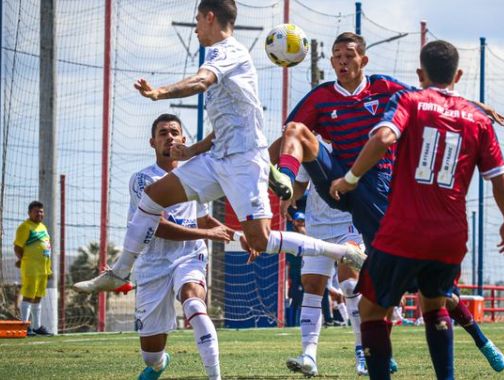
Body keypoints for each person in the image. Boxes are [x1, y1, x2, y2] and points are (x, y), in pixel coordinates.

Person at [73, 0, 365, 294]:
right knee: (151, 198)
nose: (196, 27)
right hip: (217, 159)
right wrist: (192, 151)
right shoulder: (218, 54)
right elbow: (225, 124)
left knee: (261, 241)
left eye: (198, 19)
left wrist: (160, 92)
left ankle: (339, 252)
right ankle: (120, 271)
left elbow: (201, 82)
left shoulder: (227, 52)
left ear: (210, 17)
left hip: (243, 161)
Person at [271, 31, 504, 375]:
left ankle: (481, 338)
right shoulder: (321, 97)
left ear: (363, 60)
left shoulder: (386, 88)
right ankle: (282, 177)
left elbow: (438, 96)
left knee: (433, 294)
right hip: (340, 182)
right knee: (295, 128)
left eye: (349, 55)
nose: (341, 61)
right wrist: (260, 169)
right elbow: (288, 136)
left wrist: (479, 106)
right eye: (336, 56)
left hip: (379, 191)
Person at [331, 40, 504, 379]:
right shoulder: (477, 119)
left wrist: (351, 178)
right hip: (450, 237)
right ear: (458, 75)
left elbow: (384, 138)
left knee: (372, 310)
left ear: (420, 74)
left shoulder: (410, 100)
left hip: (403, 231)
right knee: (434, 304)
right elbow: (501, 181)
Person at [123, 114, 237, 380]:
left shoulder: (195, 174)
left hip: (190, 255)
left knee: (193, 300)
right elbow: (158, 227)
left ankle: (215, 377)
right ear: (152, 142)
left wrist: (239, 236)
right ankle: (160, 363)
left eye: (175, 132)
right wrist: (208, 232)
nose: (169, 137)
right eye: (163, 133)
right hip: (153, 264)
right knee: (151, 355)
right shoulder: (142, 180)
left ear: (184, 140)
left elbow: (203, 218)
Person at [285, 139, 367, 377]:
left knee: (350, 283)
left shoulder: (353, 140)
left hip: (349, 224)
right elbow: (299, 185)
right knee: (312, 287)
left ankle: (363, 350)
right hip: (317, 227)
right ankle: (309, 356)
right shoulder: (311, 146)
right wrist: (285, 194)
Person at [13, 201, 54, 337]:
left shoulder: (42, 227)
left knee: (38, 297)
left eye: (41, 211)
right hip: (31, 267)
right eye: (36, 211)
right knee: (29, 295)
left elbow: (46, 247)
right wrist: (23, 260)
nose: (39, 214)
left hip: (43, 269)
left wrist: (49, 269)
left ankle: (36, 327)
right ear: (29, 213)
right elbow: (18, 246)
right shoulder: (25, 227)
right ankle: (24, 326)